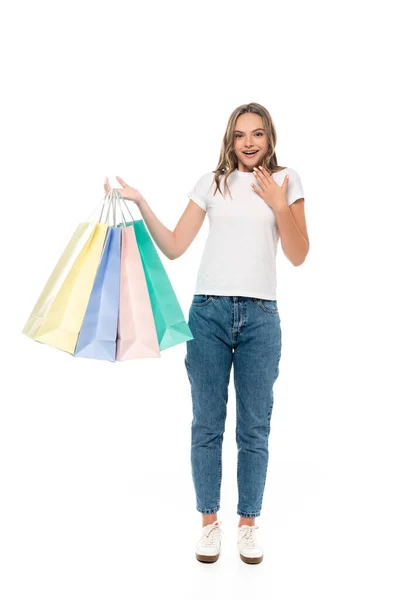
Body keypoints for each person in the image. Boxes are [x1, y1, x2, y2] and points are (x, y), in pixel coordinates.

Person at [104, 102, 309, 565]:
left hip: (261, 317)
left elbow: (298, 255)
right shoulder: (211, 183)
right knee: (206, 425)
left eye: (257, 134)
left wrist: (279, 204)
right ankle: (209, 525)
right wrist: (140, 202)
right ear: (230, 140)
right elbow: (175, 246)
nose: (249, 143)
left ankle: (248, 525)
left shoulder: (287, 180)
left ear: (270, 137)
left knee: (255, 427)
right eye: (241, 135)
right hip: (209, 314)